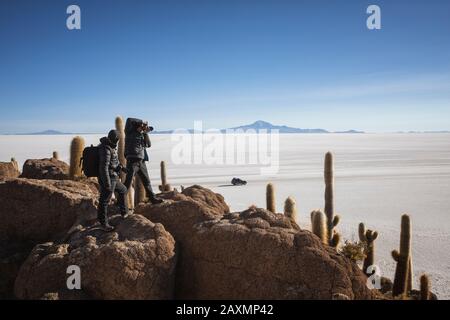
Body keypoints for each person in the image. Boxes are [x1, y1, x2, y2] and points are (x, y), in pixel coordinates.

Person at [124, 118, 163, 204]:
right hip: (132, 161)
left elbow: (148, 144)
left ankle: (152, 198)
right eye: (141, 127)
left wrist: (145, 133)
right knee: (128, 182)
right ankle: (120, 201)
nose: (142, 128)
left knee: (146, 181)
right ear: (136, 126)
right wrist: (141, 122)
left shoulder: (141, 134)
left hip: (141, 161)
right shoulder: (129, 132)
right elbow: (128, 120)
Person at [97, 129, 129, 231]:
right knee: (104, 200)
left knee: (123, 190)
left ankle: (124, 213)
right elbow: (104, 167)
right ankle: (103, 224)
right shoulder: (106, 148)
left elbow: (114, 162)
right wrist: (107, 183)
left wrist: (122, 168)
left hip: (113, 177)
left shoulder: (111, 147)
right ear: (115, 139)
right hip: (109, 178)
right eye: (118, 139)